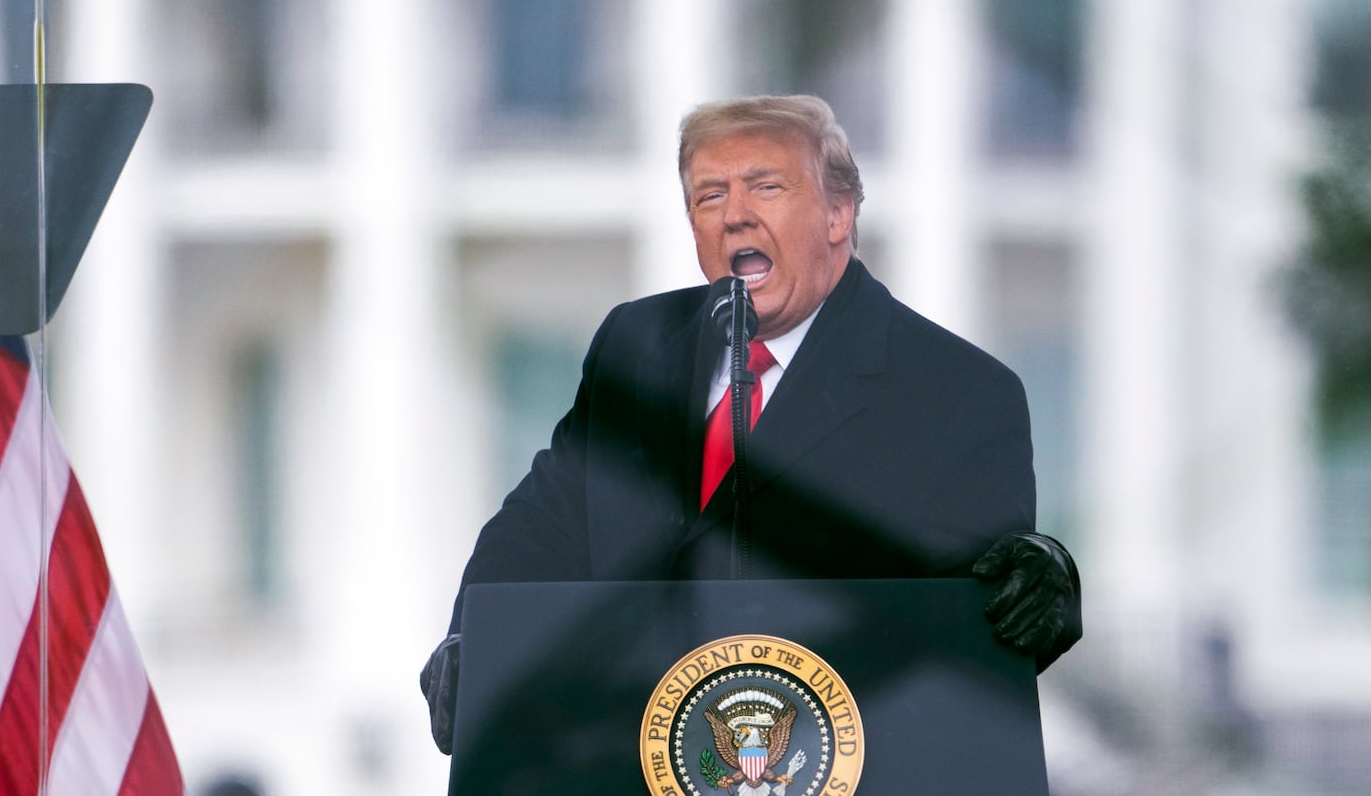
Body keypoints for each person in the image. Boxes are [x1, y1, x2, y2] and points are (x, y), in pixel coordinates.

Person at [421, 94, 1080, 754]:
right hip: (625, 790)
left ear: (837, 213)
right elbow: (543, 526)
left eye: (766, 187)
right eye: (709, 197)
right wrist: (474, 645)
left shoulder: (955, 391)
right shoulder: (637, 344)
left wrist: (1037, 581)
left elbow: (981, 609)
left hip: (836, 795)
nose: (735, 215)